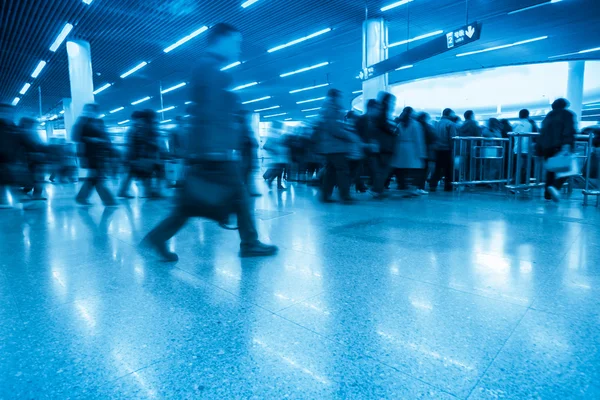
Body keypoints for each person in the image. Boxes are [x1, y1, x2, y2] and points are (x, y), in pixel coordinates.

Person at [142, 23, 277, 261]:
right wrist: (219, 150)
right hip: (215, 152)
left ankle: (159, 237)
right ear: (220, 40)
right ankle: (249, 243)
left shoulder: (207, 68)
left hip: (208, 151)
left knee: (195, 202)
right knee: (226, 198)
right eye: (235, 43)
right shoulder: (210, 70)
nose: (238, 49)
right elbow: (210, 114)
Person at [314, 88, 356, 203]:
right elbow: (334, 129)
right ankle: (345, 196)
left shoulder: (327, 109)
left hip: (328, 147)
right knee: (342, 171)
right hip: (335, 147)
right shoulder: (332, 110)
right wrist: (348, 135)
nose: (341, 99)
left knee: (330, 172)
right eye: (339, 97)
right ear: (334, 97)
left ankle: (325, 196)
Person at [73, 103, 118, 206]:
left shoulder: (99, 122)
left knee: (95, 177)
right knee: (97, 176)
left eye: (92, 109)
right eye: (87, 109)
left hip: (101, 154)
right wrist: (90, 139)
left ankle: (81, 197)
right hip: (89, 153)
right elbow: (75, 137)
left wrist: (109, 148)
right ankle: (108, 200)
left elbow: (106, 136)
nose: (89, 111)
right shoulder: (81, 121)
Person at [537, 98, 576, 202]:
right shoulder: (567, 114)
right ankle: (555, 187)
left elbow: (542, 132)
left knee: (550, 171)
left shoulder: (549, 115)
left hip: (546, 147)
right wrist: (567, 144)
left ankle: (548, 194)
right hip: (560, 146)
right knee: (569, 169)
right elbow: (569, 130)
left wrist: (539, 150)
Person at [390, 107, 427, 196]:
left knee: (403, 169)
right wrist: (422, 153)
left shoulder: (400, 124)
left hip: (401, 148)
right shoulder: (415, 124)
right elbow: (419, 139)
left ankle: (403, 186)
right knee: (416, 169)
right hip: (412, 149)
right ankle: (413, 188)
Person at [370, 92, 397, 198]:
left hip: (381, 145)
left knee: (382, 169)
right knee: (384, 169)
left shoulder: (379, 111)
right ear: (387, 100)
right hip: (384, 145)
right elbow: (382, 125)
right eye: (392, 101)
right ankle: (377, 189)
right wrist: (392, 131)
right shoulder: (383, 111)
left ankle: (377, 189)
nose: (393, 104)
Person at [18, 117, 47, 200]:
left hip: (37, 160)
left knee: (38, 178)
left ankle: (36, 194)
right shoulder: (23, 134)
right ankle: (29, 193)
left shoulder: (34, 134)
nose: (34, 126)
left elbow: (40, 146)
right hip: (30, 160)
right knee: (34, 179)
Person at [429, 108, 457, 192]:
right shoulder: (451, 124)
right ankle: (448, 187)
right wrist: (453, 149)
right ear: (449, 114)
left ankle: (432, 184)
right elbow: (452, 138)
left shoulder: (436, 124)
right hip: (446, 148)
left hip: (437, 148)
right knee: (448, 169)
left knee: (438, 167)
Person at [238, 110, 261, 196]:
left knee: (248, 173)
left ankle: (248, 190)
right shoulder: (241, 129)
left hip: (248, 156)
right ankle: (246, 191)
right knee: (245, 173)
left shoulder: (246, 128)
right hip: (245, 157)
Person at [416, 112, 437, 193]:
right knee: (424, 169)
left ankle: (417, 186)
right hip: (426, 150)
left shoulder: (416, 125)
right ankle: (420, 187)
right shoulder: (427, 127)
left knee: (419, 169)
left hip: (418, 150)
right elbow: (434, 137)